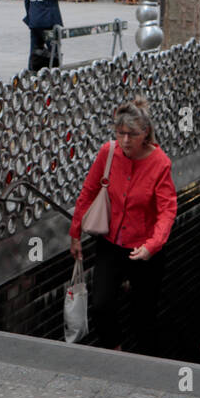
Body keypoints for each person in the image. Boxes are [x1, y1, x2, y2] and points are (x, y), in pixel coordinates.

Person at [70, 97, 177, 354]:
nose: (126, 140)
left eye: (132, 134)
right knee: (101, 305)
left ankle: (145, 365)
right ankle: (115, 352)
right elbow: (88, 191)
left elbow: (167, 210)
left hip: (145, 249)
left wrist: (152, 245)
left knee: (144, 314)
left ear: (146, 133)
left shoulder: (160, 163)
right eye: (120, 133)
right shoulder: (109, 152)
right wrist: (75, 233)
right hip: (111, 243)